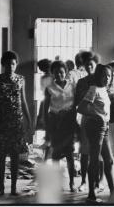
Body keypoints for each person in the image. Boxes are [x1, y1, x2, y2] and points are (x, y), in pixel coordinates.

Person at [0, 51, 32, 196]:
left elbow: (23, 101)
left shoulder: (21, 79)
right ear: (3, 64)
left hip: (16, 122)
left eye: (13, 63)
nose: (11, 66)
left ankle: (13, 188)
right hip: (1, 121)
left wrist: (29, 121)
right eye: (8, 63)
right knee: (1, 154)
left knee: (15, 154)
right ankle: (1, 187)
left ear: (16, 64)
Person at [77, 64, 114, 203]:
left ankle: (113, 192)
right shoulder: (94, 89)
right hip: (95, 127)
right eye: (104, 75)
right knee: (94, 160)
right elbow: (81, 108)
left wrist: (102, 119)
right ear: (98, 76)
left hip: (104, 128)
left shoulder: (104, 90)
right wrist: (97, 115)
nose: (107, 78)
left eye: (109, 75)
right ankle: (91, 194)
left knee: (109, 160)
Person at [43, 60, 77, 192]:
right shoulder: (49, 88)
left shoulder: (72, 86)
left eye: (62, 72)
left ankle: (72, 183)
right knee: (56, 154)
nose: (59, 74)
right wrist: (47, 128)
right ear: (53, 73)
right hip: (55, 123)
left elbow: (75, 105)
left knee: (69, 154)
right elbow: (46, 109)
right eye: (56, 72)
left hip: (68, 123)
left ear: (66, 72)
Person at [74, 51, 104, 192]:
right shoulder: (81, 82)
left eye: (91, 65)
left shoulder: (101, 81)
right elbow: (77, 102)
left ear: (96, 65)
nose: (89, 68)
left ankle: (99, 182)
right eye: (87, 66)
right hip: (86, 118)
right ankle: (84, 181)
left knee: (98, 152)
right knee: (85, 151)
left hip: (101, 120)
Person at [36, 59, 53, 159]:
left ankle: (48, 151)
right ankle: (47, 150)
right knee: (48, 127)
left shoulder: (51, 77)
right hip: (47, 102)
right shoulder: (47, 77)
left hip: (52, 102)